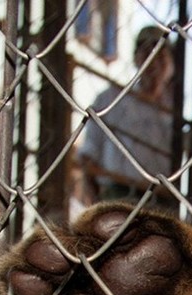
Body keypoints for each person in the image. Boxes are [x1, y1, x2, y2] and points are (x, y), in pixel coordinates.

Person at [76, 26, 176, 206]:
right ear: (136, 58)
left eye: (160, 56)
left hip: (162, 197)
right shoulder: (112, 98)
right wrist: (93, 199)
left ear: (171, 65)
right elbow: (88, 154)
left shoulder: (175, 111)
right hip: (119, 192)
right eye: (147, 54)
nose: (153, 64)